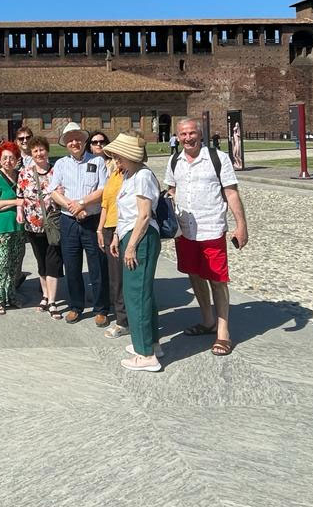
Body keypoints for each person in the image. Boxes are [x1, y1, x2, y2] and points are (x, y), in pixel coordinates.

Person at [166, 118, 249, 357]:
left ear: (200, 135)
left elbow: (231, 193)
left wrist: (240, 225)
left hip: (211, 227)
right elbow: (171, 191)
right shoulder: (175, 161)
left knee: (217, 278)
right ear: (178, 137)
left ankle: (223, 332)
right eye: (183, 134)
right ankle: (208, 320)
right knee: (194, 275)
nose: (188, 138)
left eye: (192, 133)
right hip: (185, 230)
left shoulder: (218, 158)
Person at [105, 132, 163, 372]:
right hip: (131, 235)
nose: (116, 161)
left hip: (142, 238)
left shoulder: (142, 176)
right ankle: (150, 342)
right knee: (141, 293)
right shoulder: (130, 175)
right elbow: (126, 213)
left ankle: (145, 355)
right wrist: (118, 236)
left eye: (119, 156)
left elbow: (144, 214)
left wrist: (131, 246)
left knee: (136, 295)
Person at [46, 122, 110, 325]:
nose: (75, 142)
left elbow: (103, 190)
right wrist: (71, 206)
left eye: (78, 139)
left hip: (91, 220)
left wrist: (81, 204)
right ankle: (76, 305)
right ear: (65, 143)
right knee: (72, 266)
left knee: (97, 266)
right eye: (70, 139)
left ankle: (101, 308)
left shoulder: (98, 162)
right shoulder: (61, 164)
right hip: (68, 221)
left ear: (84, 141)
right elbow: (53, 191)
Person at [17, 135, 63, 319]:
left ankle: (52, 301)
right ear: (31, 153)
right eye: (35, 151)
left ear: (47, 151)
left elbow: (63, 191)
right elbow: (20, 195)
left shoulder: (56, 171)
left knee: (53, 262)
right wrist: (20, 211)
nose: (39, 153)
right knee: (41, 261)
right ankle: (44, 296)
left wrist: (53, 197)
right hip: (32, 224)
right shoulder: (25, 173)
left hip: (52, 224)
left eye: (42, 149)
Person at [94, 133, 128, 338]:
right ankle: (121, 316)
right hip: (108, 228)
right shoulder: (114, 174)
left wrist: (116, 233)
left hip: (120, 228)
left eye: (119, 156)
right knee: (114, 277)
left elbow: (126, 206)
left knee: (120, 278)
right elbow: (106, 203)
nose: (116, 159)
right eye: (113, 156)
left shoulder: (130, 175)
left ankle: (123, 320)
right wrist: (100, 229)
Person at [0, 142, 26, 314]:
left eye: (12, 158)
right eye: (4, 158)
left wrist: (4, 205)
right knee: (1, 264)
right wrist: (14, 202)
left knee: (14, 264)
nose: (8, 161)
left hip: (17, 227)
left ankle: (11, 295)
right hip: (0, 227)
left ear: (17, 159)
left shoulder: (20, 176)